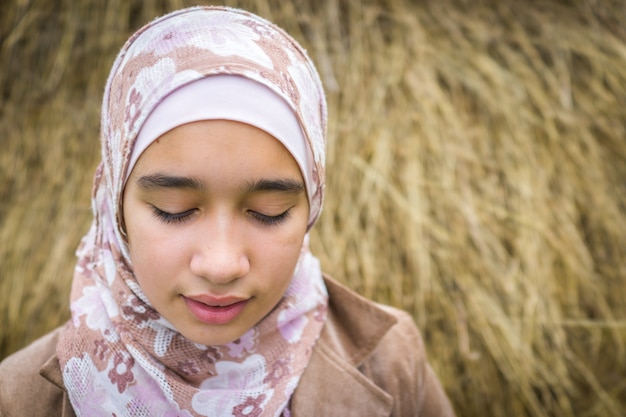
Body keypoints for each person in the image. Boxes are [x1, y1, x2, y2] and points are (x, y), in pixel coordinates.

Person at [0, 6, 455, 416]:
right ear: (115, 208)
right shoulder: (17, 398)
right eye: (173, 210)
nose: (221, 265)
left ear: (311, 207)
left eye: (269, 212)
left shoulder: (392, 361)